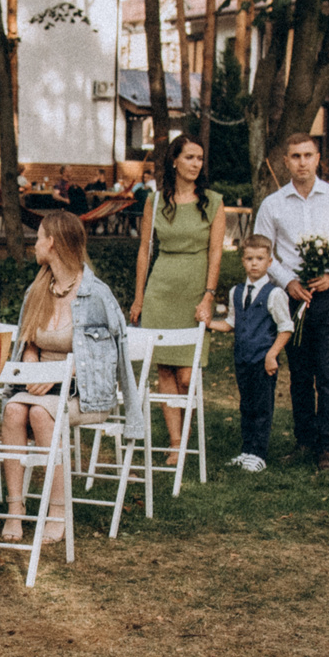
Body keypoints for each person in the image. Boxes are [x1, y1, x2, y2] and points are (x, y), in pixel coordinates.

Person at [0, 210, 132, 542]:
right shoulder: (38, 290)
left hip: (84, 393)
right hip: (42, 386)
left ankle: (58, 510)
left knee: (43, 415)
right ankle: (16, 510)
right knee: (14, 410)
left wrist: (57, 374)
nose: (36, 244)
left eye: (39, 237)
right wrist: (33, 367)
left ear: (52, 243)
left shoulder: (96, 294)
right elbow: (29, 341)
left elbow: (105, 355)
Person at [256, 133, 329, 470]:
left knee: (328, 373)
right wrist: (287, 280)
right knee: (300, 374)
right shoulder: (273, 204)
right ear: (286, 161)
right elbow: (264, 249)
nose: (302, 162)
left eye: (308, 155)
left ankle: (326, 447)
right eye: (295, 156)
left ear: (318, 158)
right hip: (293, 297)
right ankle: (304, 440)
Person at [129, 132, 228, 459]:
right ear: (174, 160)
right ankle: (176, 443)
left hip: (195, 287)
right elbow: (144, 250)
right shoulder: (155, 201)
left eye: (200, 158)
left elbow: (216, 253)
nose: (196, 164)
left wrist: (209, 295)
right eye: (190, 157)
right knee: (166, 370)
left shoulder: (213, 201)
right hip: (162, 287)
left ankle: (186, 434)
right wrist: (139, 297)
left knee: (187, 373)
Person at [212, 234, 293, 473]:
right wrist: (208, 323)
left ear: (269, 262)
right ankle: (247, 450)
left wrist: (272, 354)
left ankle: (259, 453)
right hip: (243, 358)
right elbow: (231, 322)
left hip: (262, 360)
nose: (254, 263)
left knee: (261, 406)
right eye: (249, 258)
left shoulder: (275, 294)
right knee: (246, 405)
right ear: (242, 261)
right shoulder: (236, 291)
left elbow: (286, 328)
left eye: (260, 258)